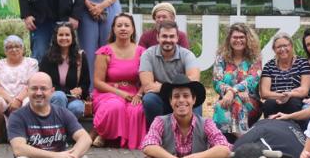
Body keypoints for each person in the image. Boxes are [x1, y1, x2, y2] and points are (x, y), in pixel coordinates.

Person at [91, 13, 146, 149]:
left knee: (137, 110)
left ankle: (115, 139)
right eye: (119, 25)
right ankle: (103, 134)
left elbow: (147, 79)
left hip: (133, 92)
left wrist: (139, 94)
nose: (123, 28)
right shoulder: (104, 52)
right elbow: (98, 82)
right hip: (108, 92)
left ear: (132, 29)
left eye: (127, 25)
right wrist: (120, 94)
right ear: (113, 29)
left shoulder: (142, 52)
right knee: (115, 106)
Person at [139, 20, 202, 126]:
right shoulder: (148, 55)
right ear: (158, 37)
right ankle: (158, 134)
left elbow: (194, 81)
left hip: (181, 95)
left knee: (195, 98)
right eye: (164, 36)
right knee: (149, 99)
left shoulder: (187, 55)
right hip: (160, 98)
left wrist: (162, 86)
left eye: (172, 36)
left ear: (177, 38)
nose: (168, 40)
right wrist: (176, 85)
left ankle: (194, 136)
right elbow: (147, 86)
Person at [0, 35, 39, 146]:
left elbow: (32, 83)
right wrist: (10, 100)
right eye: (9, 47)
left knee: (28, 102)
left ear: (23, 49)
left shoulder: (31, 63)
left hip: (23, 98)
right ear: (5, 51)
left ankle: (25, 135)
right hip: (4, 99)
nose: (14, 49)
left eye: (17, 46)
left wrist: (18, 99)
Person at [212, 22, 263, 139]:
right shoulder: (221, 57)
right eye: (235, 37)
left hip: (250, 100)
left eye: (242, 37)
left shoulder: (255, 58)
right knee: (222, 105)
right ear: (229, 39)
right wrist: (232, 92)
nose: (238, 40)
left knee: (232, 103)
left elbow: (252, 79)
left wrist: (232, 91)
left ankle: (234, 140)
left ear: (247, 39)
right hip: (226, 99)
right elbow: (216, 81)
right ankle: (240, 138)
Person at [38, 22, 90, 120]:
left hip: (74, 99)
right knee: (60, 96)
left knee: (77, 108)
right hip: (54, 96)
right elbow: (43, 82)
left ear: (73, 37)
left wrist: (81, 89)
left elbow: (86, 83)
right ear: (55, 37)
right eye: (61, 35)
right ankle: (58, 131)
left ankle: (61, 130)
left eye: (67, 35)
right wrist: (67, 91)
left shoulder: (81, 56)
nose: (64, 38)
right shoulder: (47, 57)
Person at [259, 32, 310, 120]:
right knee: (269, 104)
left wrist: (290, 95)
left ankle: (294, 131)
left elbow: (304, 90)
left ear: (291, 46)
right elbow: (264, 93)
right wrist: (281, 96)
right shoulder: (269, 66)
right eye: (279, 47)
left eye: (285, 45)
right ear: (274, 49)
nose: (282, 49)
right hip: (274, 99)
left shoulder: (303, 63)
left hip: (296, 99)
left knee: (293, 103)